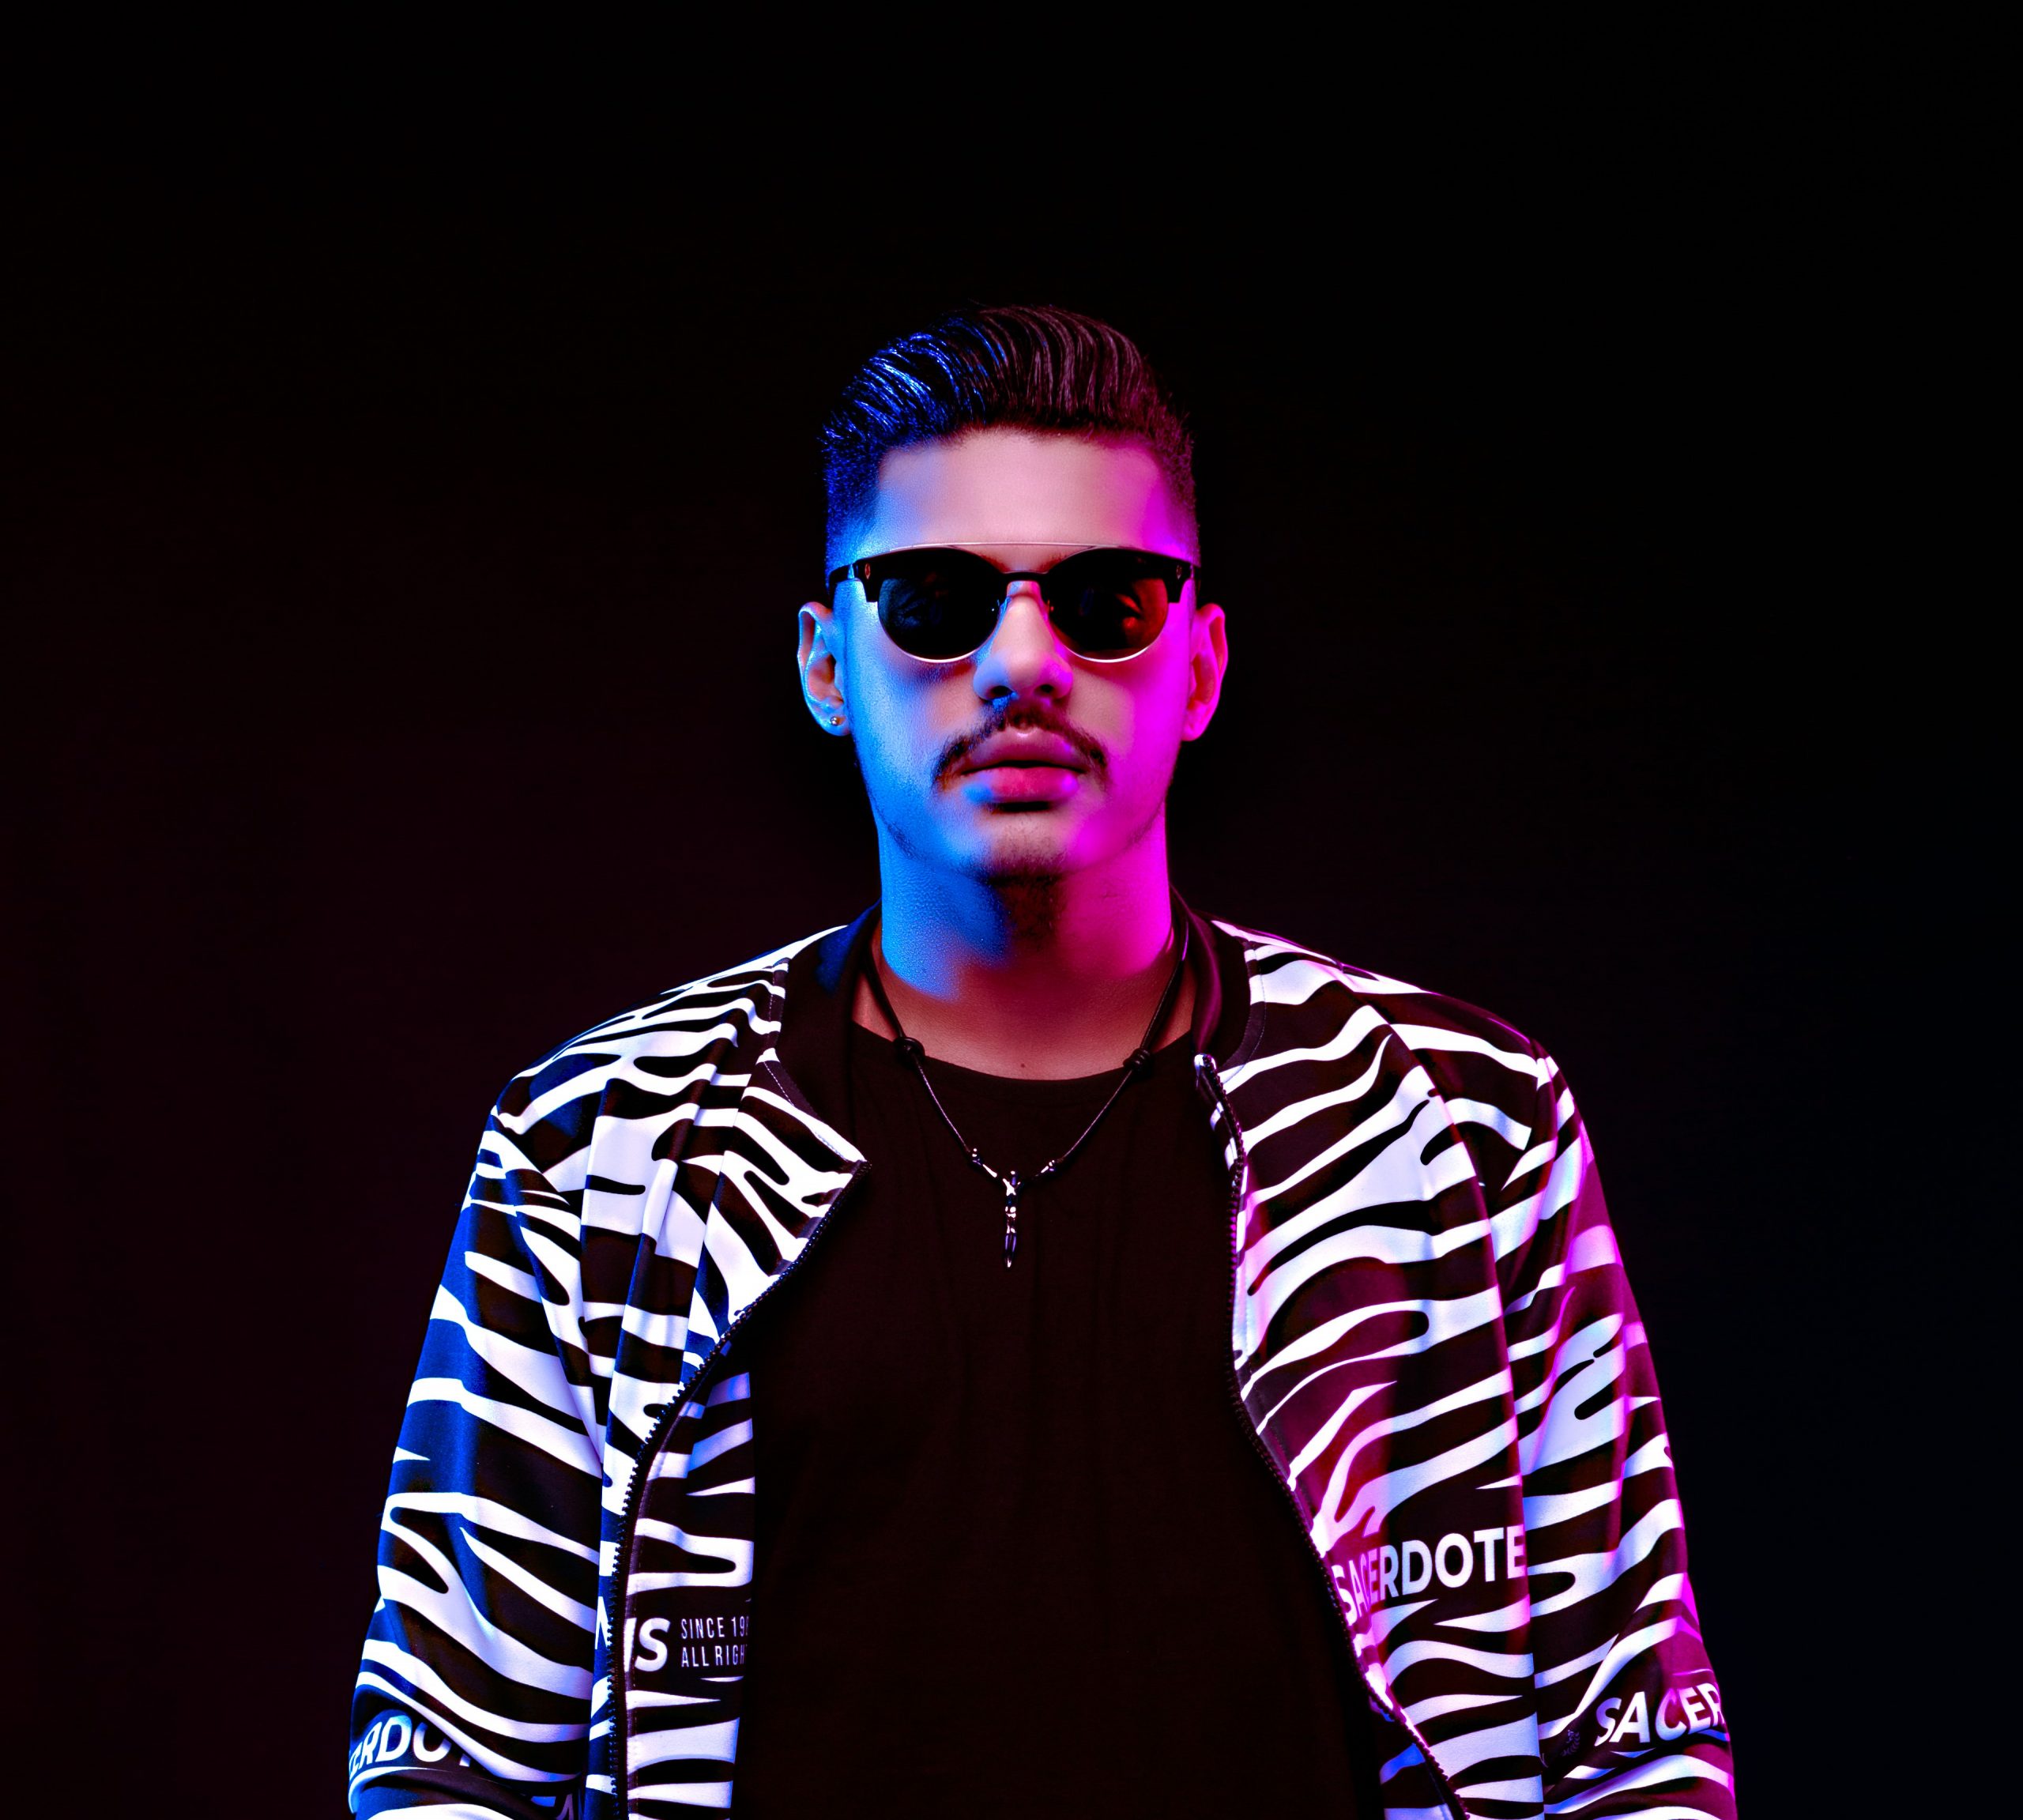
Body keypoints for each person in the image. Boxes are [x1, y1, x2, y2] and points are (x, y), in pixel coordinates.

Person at [346, 306, 1734, 1819]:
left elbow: (1634, 1752)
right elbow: (452, 1761)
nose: (1023, 662)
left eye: (1106, 601)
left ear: (1200, 664)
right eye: (934, 599)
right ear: (825, 663)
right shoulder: (607, 1145)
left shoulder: (1460, 1127)